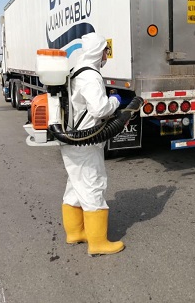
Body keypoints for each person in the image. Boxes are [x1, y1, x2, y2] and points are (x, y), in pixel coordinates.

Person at [60, 32, 124, 256]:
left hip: (73, 139)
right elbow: (99, 109)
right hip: (85, 141)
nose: (107, 54)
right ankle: (98, 243)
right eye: (106, 50)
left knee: (75, 186)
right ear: (98, 51)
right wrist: (115, 101)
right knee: (93, 184)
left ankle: (75, 232)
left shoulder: (76, 71)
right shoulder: (90, 76)